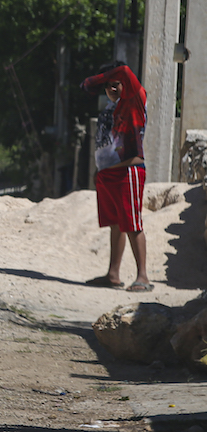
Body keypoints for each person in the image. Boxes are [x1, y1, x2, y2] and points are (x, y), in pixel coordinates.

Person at [80, 61, 152, 292]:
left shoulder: (134, 99)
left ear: (126, 84)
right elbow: (107, 143)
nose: (111, 89)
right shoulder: (111, 108)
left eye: (116, 85)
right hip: (108, 174)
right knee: (115, 224)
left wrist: (94, 80)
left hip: (127, 171)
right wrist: (98, 170)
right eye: (107, 86)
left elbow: (124, 71)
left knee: (132, 223)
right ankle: (113, 274)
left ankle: (143, 276)